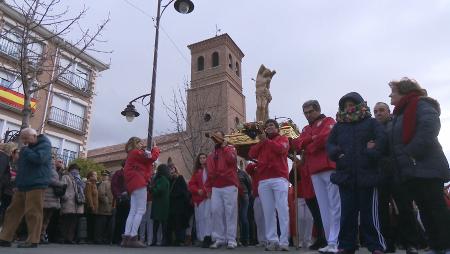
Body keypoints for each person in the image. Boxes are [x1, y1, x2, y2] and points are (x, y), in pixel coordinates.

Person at [388, 78, 450, 254]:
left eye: (393, 91)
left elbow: (429, 127)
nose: (390, 95)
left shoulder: (421, 105)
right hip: (411, 170)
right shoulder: (399, 113)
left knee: (436, 207)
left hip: (427, 166)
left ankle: (447, 244)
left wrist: (412, 152)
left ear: (404, 92)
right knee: (424, 209)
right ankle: (437, 245)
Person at [326, 92, 387, 254]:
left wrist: (371, 152)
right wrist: (338, 153)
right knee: (347, 213)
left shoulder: (371, 123)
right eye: (346, 106)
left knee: (370, 215)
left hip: (367, 175)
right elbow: (330, 144)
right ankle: (346, 245)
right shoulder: (339, 126)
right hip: (346, 175)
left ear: (359, 105)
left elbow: (382, 140)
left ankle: (376, 245)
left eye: (352, 104)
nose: (349, 108)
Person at [293, 100, 341, 254]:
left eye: (310, 112)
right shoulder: (306, 128)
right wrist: (312, 140)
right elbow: (297, 144)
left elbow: (326, 138)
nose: (308, 115)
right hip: (314, 170)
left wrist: (309, 144)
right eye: (305, 113)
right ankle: (329, 241)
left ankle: (337, 241)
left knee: (334, 206)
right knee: (324, 208)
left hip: (329, 167)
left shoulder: (329, 121)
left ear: (318, 109)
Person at [374, 102, 420, 254]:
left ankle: (411, 243)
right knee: (381, 210)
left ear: (388, 111)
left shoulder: (395, 125)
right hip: (379, 173)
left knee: (404, 207)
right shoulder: (372, 128)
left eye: (381, 110)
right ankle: (388, 243)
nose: (378, 113)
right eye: (376, 111)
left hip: (397, 171)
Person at [0, 128, 52, 248]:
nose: (23, 141)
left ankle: (33, 240)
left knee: (33, 212)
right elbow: (21, 168)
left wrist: (26, 151)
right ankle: (5, 238)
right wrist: (17, 184)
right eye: (22, 138)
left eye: (25, 138)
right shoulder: (26, 149)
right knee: (12, 211)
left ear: (34, 136)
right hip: (23, 184)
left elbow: (40, 159)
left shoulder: (45, 144)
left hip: (36, 183)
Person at [248, 119, 290, 251]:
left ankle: (284, 241)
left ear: (277, 128)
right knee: (268, 212)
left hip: (279, 178)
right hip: (264, 180)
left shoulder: (283, 139)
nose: (269, 127)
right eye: (267, 126)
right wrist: (262, 142)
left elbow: (281, 150)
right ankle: (272, 240)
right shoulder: (262, 142)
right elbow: (251, 154)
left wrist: (266, 141)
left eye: (272, 125)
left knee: (282, 209)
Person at [122, 137, 160, 248]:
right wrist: (156, 148)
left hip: (133, 184)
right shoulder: (136, 152)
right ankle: (133, 236)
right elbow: (151, 158)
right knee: (140, 210)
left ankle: (127, 237)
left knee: (133, 210)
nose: (142, 145)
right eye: (140, 143)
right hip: (139, 182)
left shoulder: (131, 154)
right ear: (135, 143)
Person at [206, 130, 239, 249]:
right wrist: (209, 187)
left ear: (223, 138)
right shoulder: (212, 154)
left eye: (218, 136)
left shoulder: (231, 148)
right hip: (216, 186)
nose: (216, 138)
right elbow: (210, 172)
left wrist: (225, 147)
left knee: (230, 212)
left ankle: (231, 239)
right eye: (214, 136)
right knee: (216, 211)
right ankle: (219, 238)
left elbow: (232, 160)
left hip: (229, 184)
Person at [188, 153, 212, 248]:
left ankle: (208, 237)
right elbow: (191, 184)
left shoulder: (211, 170)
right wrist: (197, 190)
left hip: (209, 196)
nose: (202, 159)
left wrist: (206, 190)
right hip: (199, 198)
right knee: (200, 218)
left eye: (204, 157)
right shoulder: (197, 172)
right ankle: (201, 238)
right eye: (200, 158)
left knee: (208, 217)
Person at [40, 154, 66, 244]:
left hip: (52, 197)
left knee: (46, 218)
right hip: (47, 196)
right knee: (43, 218)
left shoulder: (54, 169)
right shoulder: (47, 168)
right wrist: (60, 184)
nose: (53, 159)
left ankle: (42, 236)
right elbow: (48, 180)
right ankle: (38, 236)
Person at [167, 161, 191, 246]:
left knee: (179, 222)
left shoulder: (180, 178)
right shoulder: (168, 179)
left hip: (179, 204)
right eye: (169, 169)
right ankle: (175, 240)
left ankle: (180, 239)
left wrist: (174, 195)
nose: (171, 170)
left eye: (172, 168)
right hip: (171, 204)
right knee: (173, 221)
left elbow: (184, 191)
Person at [60, 163, 85, 244]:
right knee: (66, 220)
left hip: (76, 203)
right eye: (75, 169)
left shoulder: (78, 179)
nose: (76, 171)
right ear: (70, 169)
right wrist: (65, 197)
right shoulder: (66, 177)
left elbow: (81, 189)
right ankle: (63, 237)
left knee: (73, 222)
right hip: (68, 201)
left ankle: (70, 238)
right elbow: (62, 188)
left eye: (77, 170)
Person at [150, 164, 170, 246]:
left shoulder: (162, 179)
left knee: (157, 222)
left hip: (159, 203)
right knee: (162, 222)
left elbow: (159, 190)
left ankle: (157, 240)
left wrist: (151, 188)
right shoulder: (165, 179)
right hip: (163, 203)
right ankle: (162, 240)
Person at [111, 161, 130, 245]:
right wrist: (118, 195)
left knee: (126, 219)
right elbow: (114, 185)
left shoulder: (129, 173)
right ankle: (117, 239)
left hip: (128, 199)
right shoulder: (118, 173)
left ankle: (124, 238)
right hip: (121, 199)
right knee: (120, 220)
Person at [95, 170, 113, 244]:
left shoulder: (109, 183)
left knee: (105, 225)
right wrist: (107, 202)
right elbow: (101, 194)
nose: (104, 177)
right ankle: (99, 239)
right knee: (101, 224)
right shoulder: (104, 183)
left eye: (106, 175)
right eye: (103, 175)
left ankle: (103, 239)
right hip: (104, 207)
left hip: (109, 207)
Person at [237, 162, 252, 247]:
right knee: (236, 218)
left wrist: (247, 195)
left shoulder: (242, 173)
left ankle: (245, 239)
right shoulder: (228, 173)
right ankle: (237, 238)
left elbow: (249, 185)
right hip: (233, 196)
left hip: (244, 196)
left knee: (243, 217)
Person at [85, 171, 99, 243]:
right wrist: (91, 206)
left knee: (93, 223)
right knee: (90, 223)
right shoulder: (89, 184)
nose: (96, 176)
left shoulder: (94, 184)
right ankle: (89, 238)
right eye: (95, 175)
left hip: (95, 207)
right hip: (91, 207)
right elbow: (89, 195)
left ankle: (92, 238)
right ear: (90, 176)